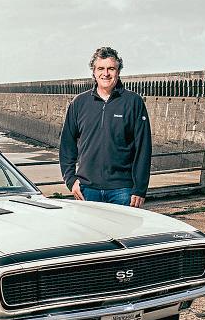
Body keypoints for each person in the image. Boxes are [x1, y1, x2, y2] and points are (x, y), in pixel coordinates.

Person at [59, 46, 151, 208]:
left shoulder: (133, 102)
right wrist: (70, 179)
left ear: (118, 71)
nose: (106, 73)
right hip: (87, 189)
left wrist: (140, 188)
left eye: (111, 68)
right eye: (101, 68)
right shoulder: (79, 103)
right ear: (94, 72)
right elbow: (67, 144)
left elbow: (143, 148)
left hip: (123, 190)